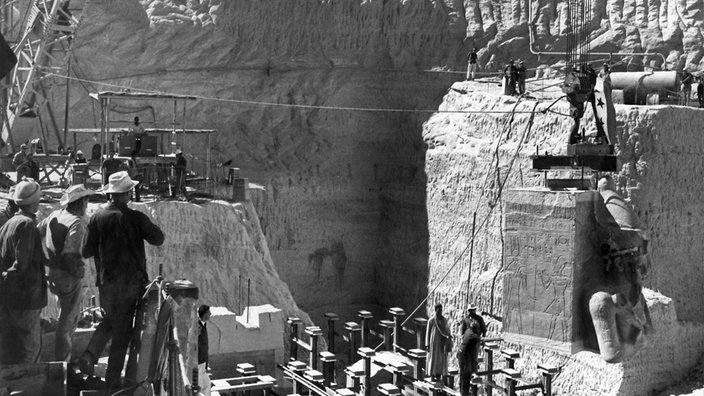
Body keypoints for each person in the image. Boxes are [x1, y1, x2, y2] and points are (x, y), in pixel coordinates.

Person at [78, 171, 164, 392]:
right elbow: (158, 238)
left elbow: (86, 251)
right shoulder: (135, 218)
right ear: (126, 194)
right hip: (131, 285)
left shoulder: (97, 217)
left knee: (111, 319)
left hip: (107, 284)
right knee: (122, 336)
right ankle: (113, 384)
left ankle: (90, 354)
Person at [38, 185, 95, 361]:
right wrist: (79, 271)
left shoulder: (55, 215)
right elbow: (70, 254)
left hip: (52, 273)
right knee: (68, 321)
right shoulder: (77, 222)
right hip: (67, 276)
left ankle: (61, 361)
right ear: (82, 202)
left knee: (63, 315)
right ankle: (63, 363)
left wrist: (46, 258)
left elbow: (38, 232)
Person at [0, 178, 46, 365]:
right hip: (26, 297)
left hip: (10, 297)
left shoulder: (9, 224)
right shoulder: (26, 225)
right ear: (35, 202)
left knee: (13, 346)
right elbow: (22, 264)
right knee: (30, 348)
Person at [457, 305, 487, 396]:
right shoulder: (466, 320)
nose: (471, 312)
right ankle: (465, 391)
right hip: (466, 350)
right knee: (466, 371)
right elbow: (462, 332)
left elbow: (484, 330)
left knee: (472, 366)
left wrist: (482, 341)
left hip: (472, 346)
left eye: (472, 310)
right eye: (470, 310)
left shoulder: (479, 319)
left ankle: (470, 389)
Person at [426, 303, 452, 384]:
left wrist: (448, 337)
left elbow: (447, 330)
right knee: (433, 359)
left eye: (441, 310)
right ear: (435, 310)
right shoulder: (431, 320)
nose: (440, 312)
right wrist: (427, 345)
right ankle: (432, 375)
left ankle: (438, 375)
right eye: (439, 310)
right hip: (433, 343)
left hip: (441, 343)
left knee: (440, 360)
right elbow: (428, 333)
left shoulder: (444, 320)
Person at [197, 304, 211, 395]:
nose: (210, 314)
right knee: (201, 387)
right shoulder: (197, 327)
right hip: (198, 363)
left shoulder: (203, 325)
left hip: (203, 363)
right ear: (205, 314)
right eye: (209, 312)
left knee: (206, 385)